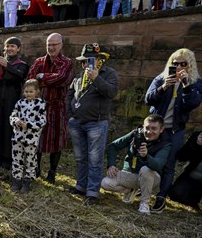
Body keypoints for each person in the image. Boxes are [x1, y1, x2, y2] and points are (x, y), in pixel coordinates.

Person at [144, 48, 202, 213]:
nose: (179, 67)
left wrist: (185, 85)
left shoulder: (196, 83)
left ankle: (161, 197)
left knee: (169, 165)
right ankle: (143, 191)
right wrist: (163, 87)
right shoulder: (161, 78)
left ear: (190, 65)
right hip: (155, 129)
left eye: (183, 64)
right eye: (175, 63)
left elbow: (193, 103)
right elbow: (148, 99)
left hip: (175, 131)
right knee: (148, 160)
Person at [66, 43, 119, 205]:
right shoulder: (79, 76)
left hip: (96, 123)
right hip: (77, 122)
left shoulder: (109, 74)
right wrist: (70, 115)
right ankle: (81, 186)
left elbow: (111, 92)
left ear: (99, 60)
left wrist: (96, 78)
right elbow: (70, 95)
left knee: (95, 159)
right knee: (80, 157)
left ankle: (92, 192)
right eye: (83, 61)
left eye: (90, 60)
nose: (85, 64)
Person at [27, 32, 74, 184]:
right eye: (49, 45)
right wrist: (44, 78)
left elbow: (62, 78)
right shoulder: (39, 61)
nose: (51, 47)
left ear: (61, 45)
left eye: (54, 45)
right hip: (39, 105)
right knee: (37, 137)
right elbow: (30, 80)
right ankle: (36, 168)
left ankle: (52, 172)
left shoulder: (66, 62)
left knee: (57, 139)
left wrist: (42, 77)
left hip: (57, 106)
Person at [101, 114, 172, 215]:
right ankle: (130, 190)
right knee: (105, 183)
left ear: (161, 129)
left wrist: (146, 156)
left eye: (154, 129)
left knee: (145, 170)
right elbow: (113, 146)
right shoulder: (136, 134)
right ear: (143, 126)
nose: (149, 132)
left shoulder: (165, 144)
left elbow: (158, 165)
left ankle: (144, 203)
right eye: (147, 127)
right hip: (130, 175)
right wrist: (111, 164)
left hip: (151, 179)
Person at [0, 37, 29, 171]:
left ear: (18, 49)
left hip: (12, 99)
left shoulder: (22, 64)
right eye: (7, 46)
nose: (9, 49)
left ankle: (8, 159)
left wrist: (7, 66)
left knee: (9, 129)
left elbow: (19, 77)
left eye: (13, 46)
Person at [9, 79, 47, 193]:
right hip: (18, 136)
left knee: (30, 160)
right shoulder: (20, 103)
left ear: (37, 91)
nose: (28, 94)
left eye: (31, 91)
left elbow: (43, 120)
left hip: (32, 137)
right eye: (26, 91)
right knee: (17, 158)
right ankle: (17, 179)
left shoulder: (40, 103)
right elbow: (12, 115)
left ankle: (28, 180)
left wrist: (29, 125)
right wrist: (16, 121)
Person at [168, 131, 202, 211]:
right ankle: (193, 201)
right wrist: (196, 145)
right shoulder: (197, 135)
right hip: (193, 176)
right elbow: (181, 157)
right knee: (174, 194)